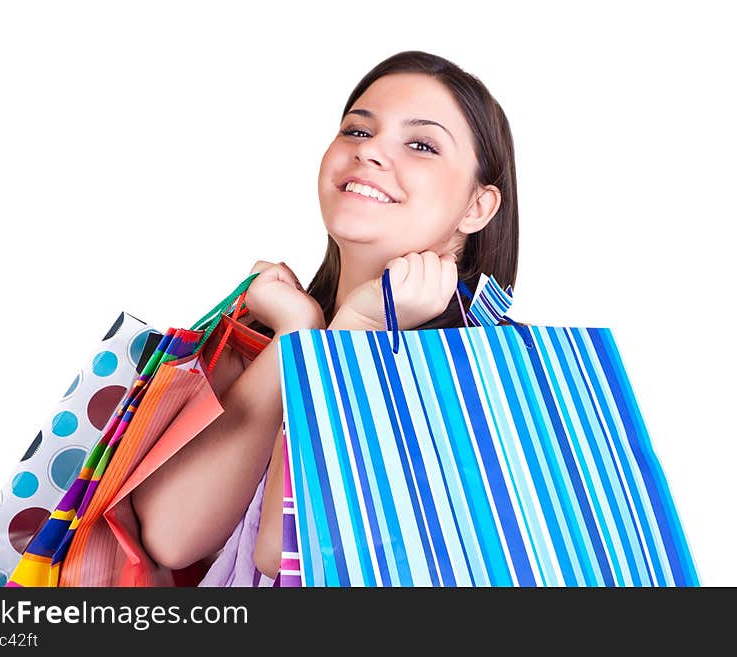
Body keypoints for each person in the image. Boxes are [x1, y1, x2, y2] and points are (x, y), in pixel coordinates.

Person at [131, 49, 520, 585]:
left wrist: (356, 330)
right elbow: (172, 537)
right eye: (358, 132)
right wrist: (300, 336)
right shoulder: (262, 330)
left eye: (421, 144)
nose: (371, 154)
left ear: (477, 207)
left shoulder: (486, 375)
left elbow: (289, 554)